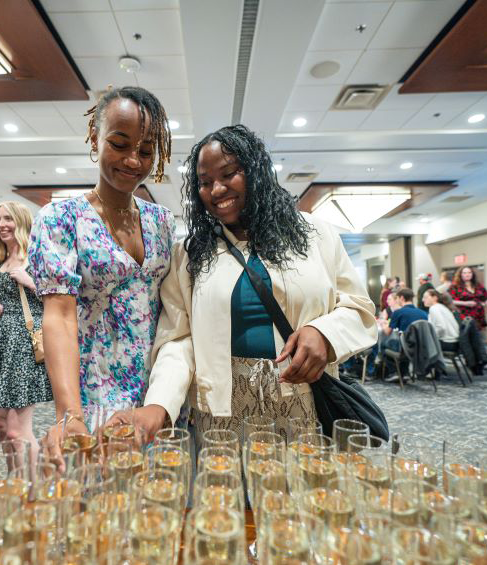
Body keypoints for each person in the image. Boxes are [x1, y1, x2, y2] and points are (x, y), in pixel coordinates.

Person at [116, 125, 376, 444]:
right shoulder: (189, 255)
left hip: (304, 400)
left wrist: (324, 333)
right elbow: (178, 340)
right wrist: (158, 405)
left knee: (302, 490)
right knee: (226, 491)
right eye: (205, 182)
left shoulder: (316, 235)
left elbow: (359, 309)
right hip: (222, 410)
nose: (216, 189)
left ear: (256, 171)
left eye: (228, 174)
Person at [29, 86, 176, 460]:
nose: (133, 161)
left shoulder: (161, 222)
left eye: (145, 151)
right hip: (93, 394)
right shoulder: (61, 218)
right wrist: (69, 414)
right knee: (101, 506)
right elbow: (59, 317)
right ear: (95, 137)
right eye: (120, 144)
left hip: (157, 395)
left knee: (161, 503)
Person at [0, 201, 52, 449]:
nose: (1, 224)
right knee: (1, 425)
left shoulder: (37, 256)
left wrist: (31, 282)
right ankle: (12, 483)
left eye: (7, 219)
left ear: (22, 222)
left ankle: (32, 487)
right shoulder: (2, 260)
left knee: (17, 431)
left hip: (23, 344)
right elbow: (4, 298)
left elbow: (61, 300)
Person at [449, 266, 487, 331]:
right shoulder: (454, 286)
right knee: (466, 339)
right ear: (460, 275)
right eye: (464, 273)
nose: (467, 274)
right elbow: (449, 301)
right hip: (463, 318)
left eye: (469, 272)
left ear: (472, 274)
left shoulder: (478, 286)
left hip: (478, 317)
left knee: (478, 339)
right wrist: (465, 303)